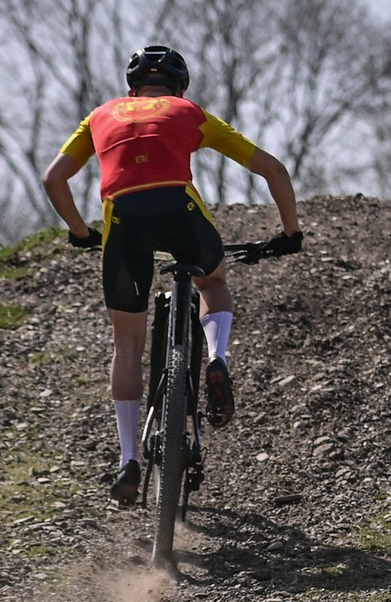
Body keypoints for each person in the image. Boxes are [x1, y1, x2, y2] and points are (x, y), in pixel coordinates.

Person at [40, 45, 303, 507]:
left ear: (131, 89)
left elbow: (53, 179)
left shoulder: (100, 114)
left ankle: (127, 459)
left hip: (123, 221)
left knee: (127, 345)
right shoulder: (189, 112)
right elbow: (272, 169)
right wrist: (289, 233)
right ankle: (218, 357)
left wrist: (82, 233)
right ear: (179, 88)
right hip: (180, 213)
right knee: (213, 280)